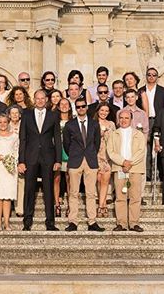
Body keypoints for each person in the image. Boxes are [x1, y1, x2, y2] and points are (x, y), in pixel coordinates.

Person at [18, 89, 61, 231]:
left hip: (48, 157)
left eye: (43, 98)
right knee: (29, 189)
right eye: (38, 98)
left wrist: (58, 160)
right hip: (30, 157)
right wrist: (21, 160)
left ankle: (50, 222)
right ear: (34, 99)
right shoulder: (26, 115)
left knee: (48, 190)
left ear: (46, 100)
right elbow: (22, 138)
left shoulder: (53, 115)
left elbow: (57, 139)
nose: (40, 101)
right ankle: (27, 222)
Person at [63, 96, 103, 232]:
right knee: (73, 193)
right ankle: (73, 221)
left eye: (83, 106)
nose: (81, 108)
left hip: (91, 160)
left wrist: (90, 154)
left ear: (86, 107)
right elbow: (66, 144)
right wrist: (74, 155)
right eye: (78, 106)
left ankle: (92, 221)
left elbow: (96, 143)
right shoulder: (69, 125)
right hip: (75, 160)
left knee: (91, 193)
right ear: (75, 108)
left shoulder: (94, 124)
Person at [106, 109, 146, 231]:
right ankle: (121, 223)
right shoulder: (114, 134)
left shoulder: (138, 134)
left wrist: (130, 163)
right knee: (120, 197)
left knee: (135, 197)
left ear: (131, 119)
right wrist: (123, 162)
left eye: (126, 118)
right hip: (120, 168)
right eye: (121, 118)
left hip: (135, 168)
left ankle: (134, 223)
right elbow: (111, 151)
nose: (124, 120)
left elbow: (141, 151)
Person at [139, 67, 164, 181]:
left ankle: (162, 175)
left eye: (154, 75)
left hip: (159, 121)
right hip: (145, 121)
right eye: (149, 75)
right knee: (145, 147)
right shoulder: (141, 90)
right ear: (146, 76)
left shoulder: (163, 91)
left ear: (157, 77)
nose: (151, 77)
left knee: (159, 147)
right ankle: (147, 175)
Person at [95, 103, 116, 218]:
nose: (104, 113)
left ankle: (101, 206)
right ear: (98, 111)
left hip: (107, 154)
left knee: (105, 180)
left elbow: (115, 139)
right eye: (102, 110)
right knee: (99, 179)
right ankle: (101, 203)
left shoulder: (111, 124)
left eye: (106, 111)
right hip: (96, 154)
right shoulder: (93, 123)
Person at [53, 97, 72, 218]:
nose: (64, 106)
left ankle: (70, 205)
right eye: (62, 104)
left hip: (69, 152)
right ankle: (57, 204)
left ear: (70, 107)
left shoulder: (73, 121)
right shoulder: (54, 120)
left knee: (70, 179)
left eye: (67, 104)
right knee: (56, 178)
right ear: (58, 107)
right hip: (56, 152)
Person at [7, 104, 25, 217]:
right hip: (7, 157)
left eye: (16, 113)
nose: (14, 115)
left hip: (21, 156)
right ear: (9, 115)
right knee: (8, 182)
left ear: (19, 115)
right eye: (12, 113)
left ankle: (20, 208)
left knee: (21, 182)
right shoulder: (4, 125)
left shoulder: (24, 125)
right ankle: (7, 208)